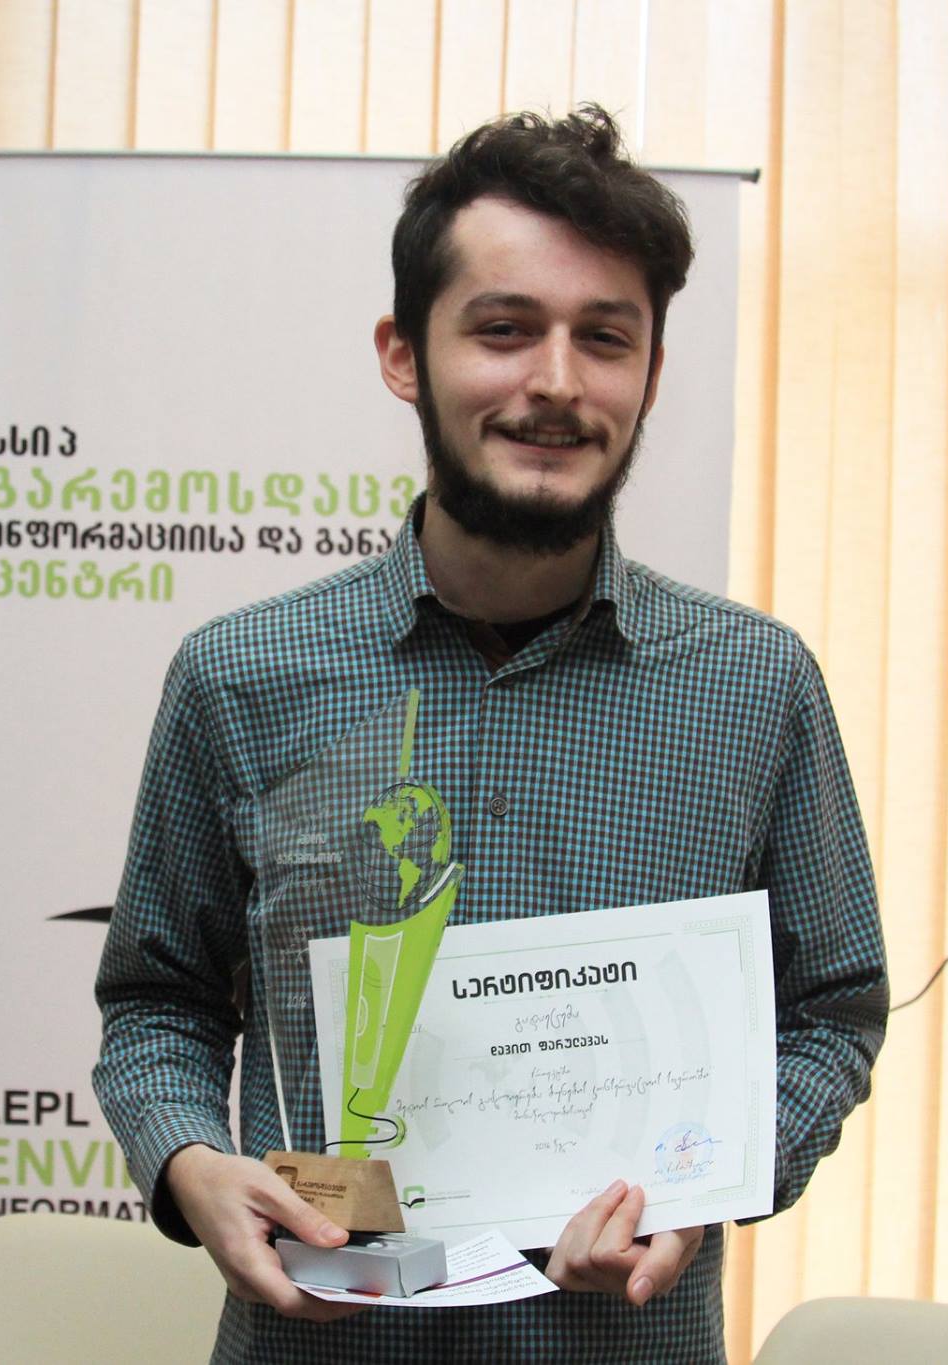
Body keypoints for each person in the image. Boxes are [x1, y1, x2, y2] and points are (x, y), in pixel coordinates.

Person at [93, 105, 888, 1363]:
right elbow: (156, 1002)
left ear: (650, 375)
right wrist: (189, 1163)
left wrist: (709, 1179)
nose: (556, 383)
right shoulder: (241, 677)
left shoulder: (754, 686)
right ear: (404, 355)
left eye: (604, 338)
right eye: (503, 329)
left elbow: (830, 1014)